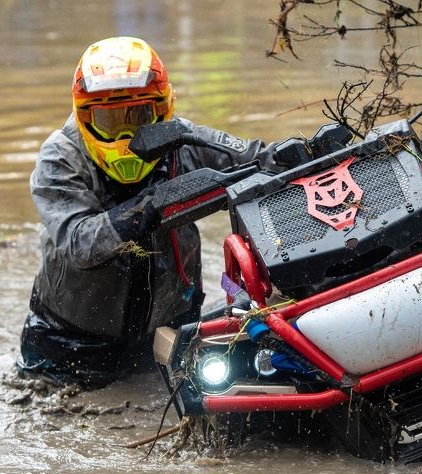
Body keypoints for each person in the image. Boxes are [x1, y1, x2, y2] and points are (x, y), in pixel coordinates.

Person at [16, 36, 265, 388]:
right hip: (70, 345)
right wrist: (152, 204)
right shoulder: (60, 158)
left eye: (138, 116)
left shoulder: (183, 142)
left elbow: (258, 164)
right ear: (84, 115)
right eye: (109, 119)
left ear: (163, 109)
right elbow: (80, 243)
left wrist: (297, 153)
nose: (126, 134)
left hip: (165, 332)